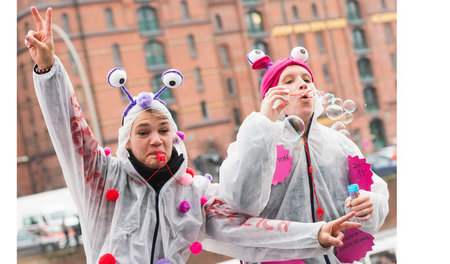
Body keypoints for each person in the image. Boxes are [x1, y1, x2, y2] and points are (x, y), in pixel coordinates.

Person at [25, 6, 362, 263]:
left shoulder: (193, 192)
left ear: (175, 135)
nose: (156, 139)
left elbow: (244, 229)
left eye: (163, 129)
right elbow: (70, 131)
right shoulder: (102, 178)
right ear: (127, 140)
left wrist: (314, 233)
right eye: (143, 131)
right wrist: (48, 70)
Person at [218, 48, 390, 263]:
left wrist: (370, 204)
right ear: (271, 96)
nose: (302, 84)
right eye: (288, 81)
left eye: (307, 79)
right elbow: (240, 202)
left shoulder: (339, 143)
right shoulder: (254, 143)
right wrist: (263, 126)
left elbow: (374, 192)